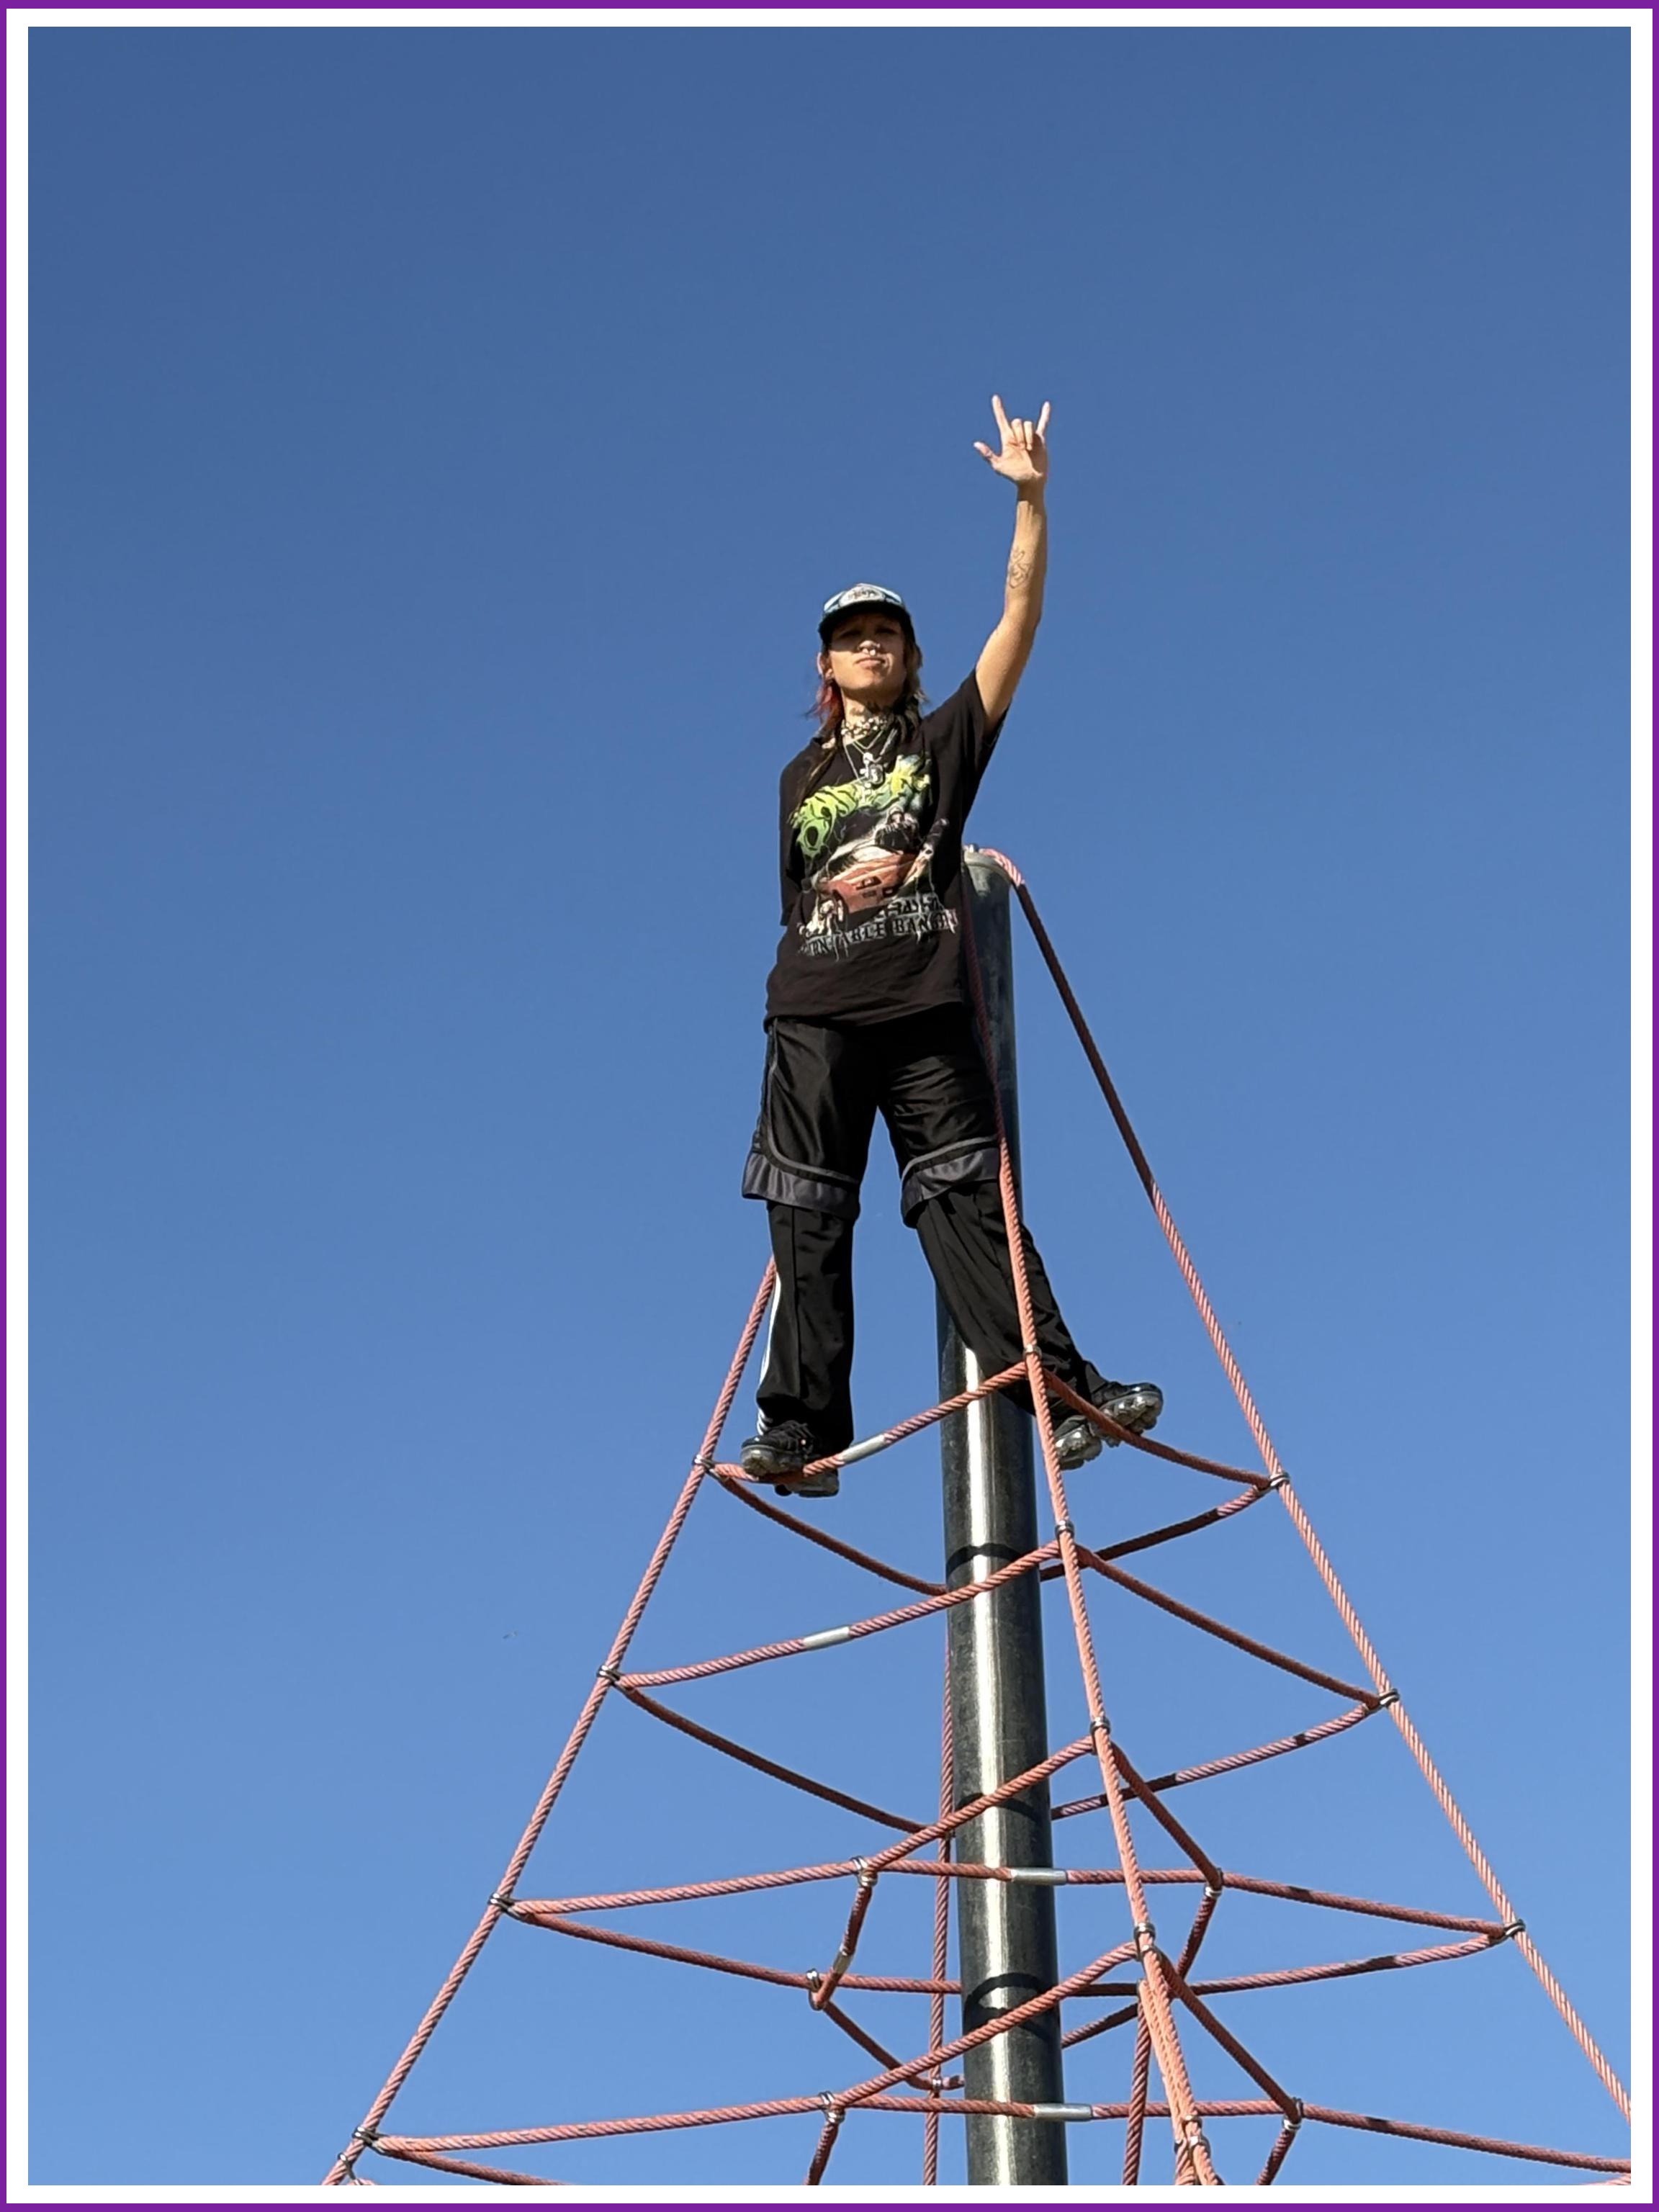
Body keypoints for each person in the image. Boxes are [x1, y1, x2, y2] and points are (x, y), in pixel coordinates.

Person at [739, 398, 1161, 1499]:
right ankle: (800, 1432)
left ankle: (1063, 1394)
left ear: (912, 657)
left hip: (924, 1007)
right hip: (819, 1010)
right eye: (850, 636)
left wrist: (1031, 501)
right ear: (826, 666)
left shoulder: (943, 742)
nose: (869, 644)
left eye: (885, 632)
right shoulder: (798, 780)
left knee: (968, 1202)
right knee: (808, 1210)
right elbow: (796, 900)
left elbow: (1019, 619)